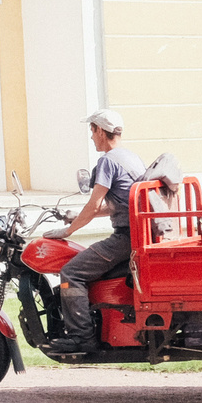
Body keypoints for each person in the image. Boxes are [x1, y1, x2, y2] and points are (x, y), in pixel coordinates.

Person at [42, 109, 142, 355]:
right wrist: (79, 216)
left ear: (100, 130)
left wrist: (68, 231)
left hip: (125, 237)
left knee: (71, 272)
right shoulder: (129, 157)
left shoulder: (107, 161)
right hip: (138, 234)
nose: (91, 137)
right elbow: (117, 205)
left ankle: (81, 338)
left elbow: (96, 203)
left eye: (92, 130)